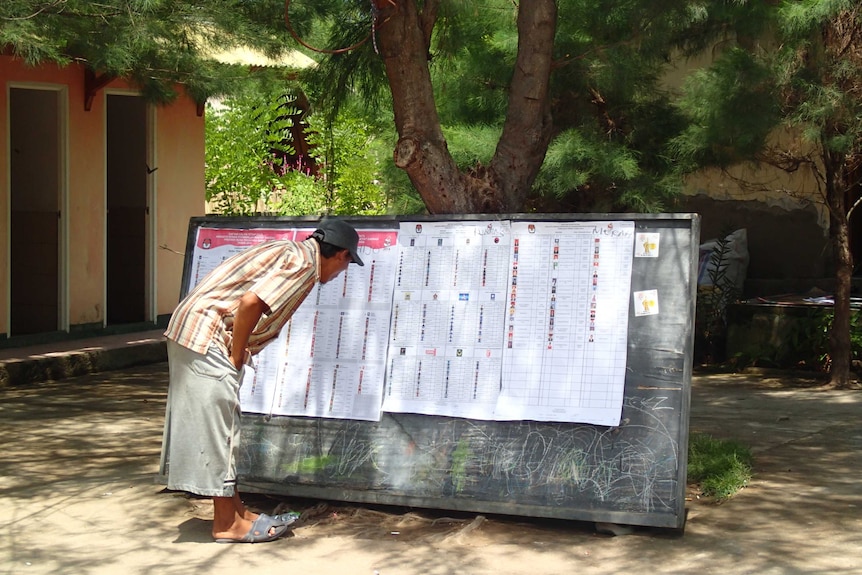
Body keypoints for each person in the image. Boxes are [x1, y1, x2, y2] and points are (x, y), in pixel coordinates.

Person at [159, 218, 364, 543]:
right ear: (340, 255)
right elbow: (251, 302)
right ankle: (226, 523)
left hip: (195, 327)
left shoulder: (295, 252)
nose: (343, 272)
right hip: (208, 333)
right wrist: (237, 354)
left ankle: (235, 511)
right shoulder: (302, 265)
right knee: (222, 429)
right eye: (347, 264)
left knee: (222, 424)